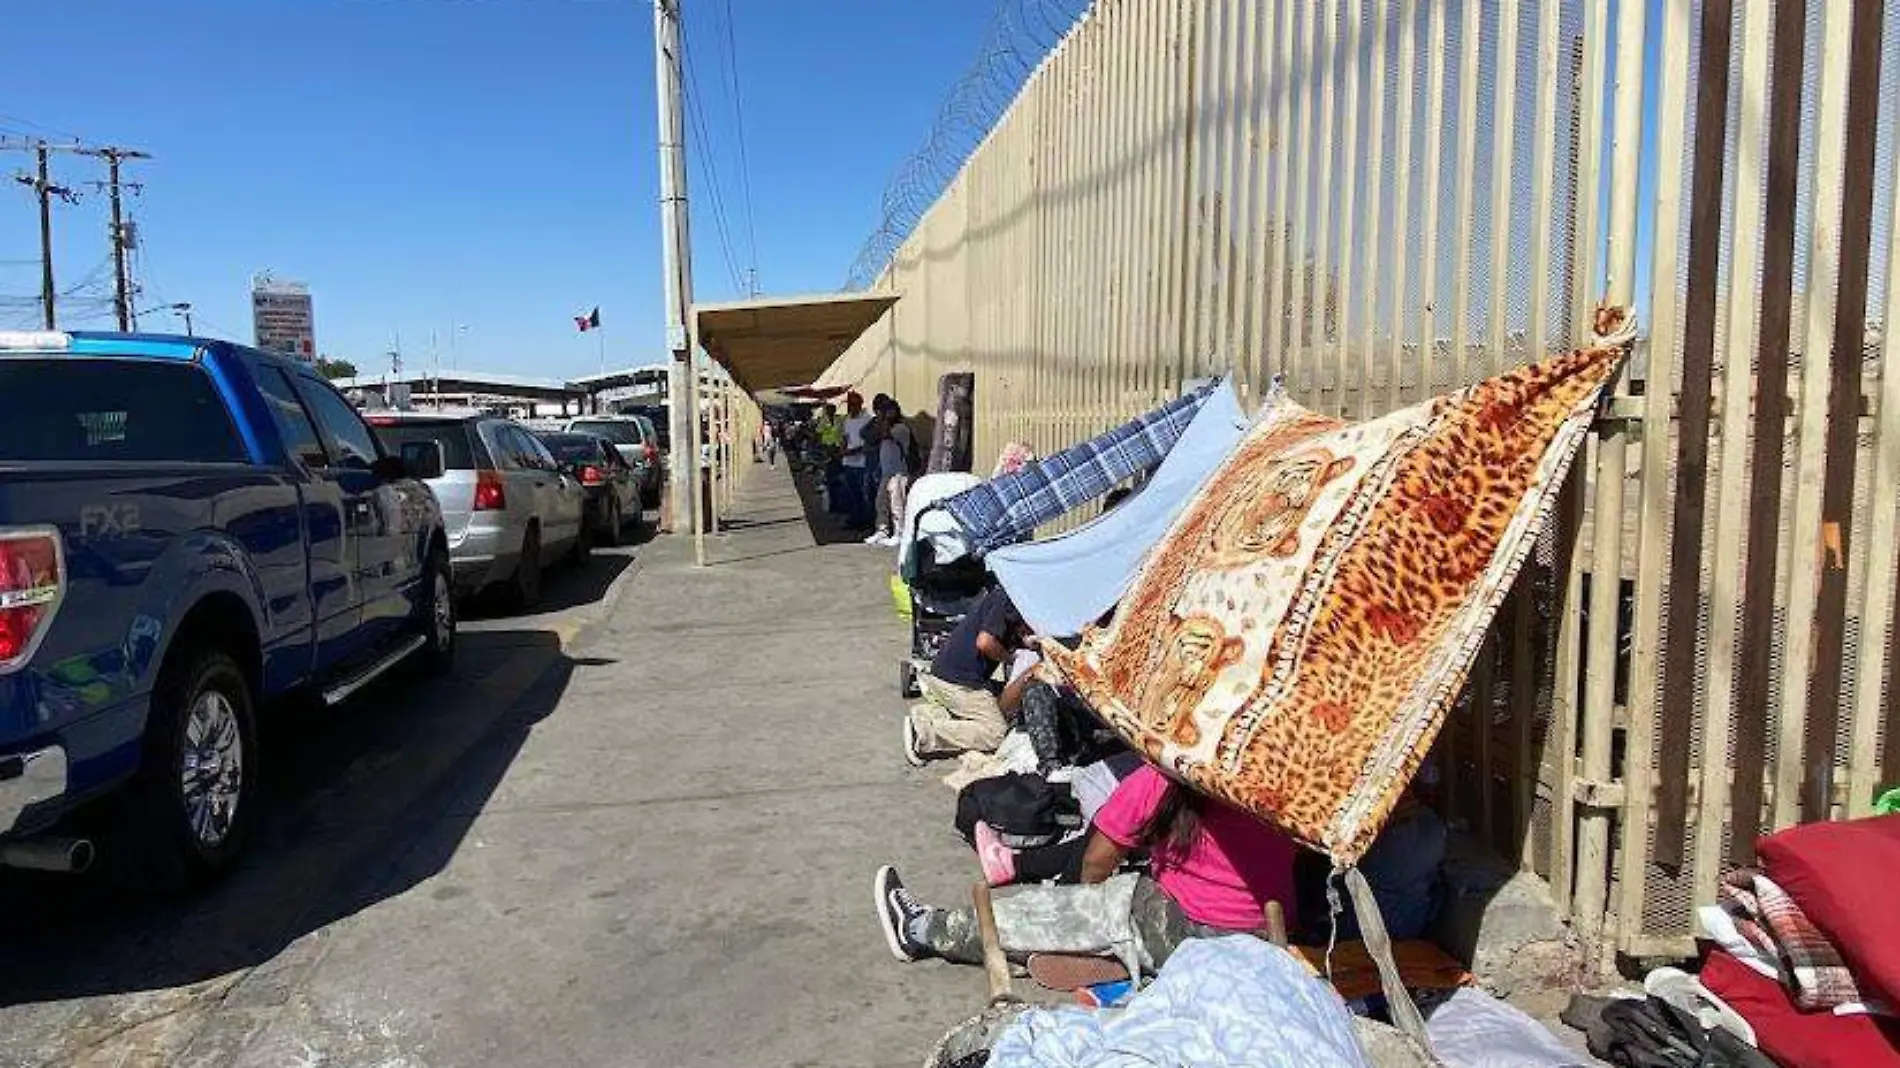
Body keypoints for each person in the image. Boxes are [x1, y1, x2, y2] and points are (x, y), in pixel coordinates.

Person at [874, 762, 1299, 974]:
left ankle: (922, 929)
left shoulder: (1165, 778)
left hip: (1187, 933)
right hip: (1268, 939)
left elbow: (1097, 861)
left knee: (1055, 913)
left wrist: (1078, 909)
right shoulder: (1298, 777)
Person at [904, 588, 1027, 764]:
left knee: (1009, 701)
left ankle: (940, 715)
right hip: (957, 681)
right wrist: (1010, 659)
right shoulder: (1006, 600)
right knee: (996, 733)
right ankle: (925, 733)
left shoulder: (1004, 595)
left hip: (951, 673)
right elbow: (985, 643)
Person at [867, 402, 915, 547]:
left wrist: (883, 421)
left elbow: (884, 435)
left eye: (888, 412)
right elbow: (869, 437)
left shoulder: (901, 428)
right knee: (880, 502)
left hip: (899, 473)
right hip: (887, 473)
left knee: (897, 505)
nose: (885, 415)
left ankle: (899, 533)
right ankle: (882, 530)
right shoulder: (888, 426)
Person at [840, 391, 876, 529]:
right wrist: (843, 450)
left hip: (862, 463)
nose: (851, 407)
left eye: (853, 404)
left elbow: (870, 443)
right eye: (849, 404)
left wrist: (853, 451)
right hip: (848, 462)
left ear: (860, 405)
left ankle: (865, 521)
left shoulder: (867, 419)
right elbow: (845, 437)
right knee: (852, 493)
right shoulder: (847, 419)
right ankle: (855, 518)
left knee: (864, 493)